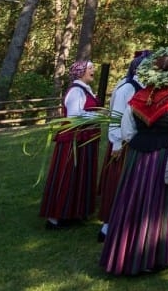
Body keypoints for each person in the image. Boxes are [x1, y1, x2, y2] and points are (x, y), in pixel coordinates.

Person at [99, 48, 168, 276]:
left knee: (132, 200)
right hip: (162, 156)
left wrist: (141, 142)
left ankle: (124, 252)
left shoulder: (137, 97)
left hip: (137, 157)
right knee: (158, 205)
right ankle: (154, 256)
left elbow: (127, 131)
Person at [40, 59, 101, 230]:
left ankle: (74, 212)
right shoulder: (76, 91)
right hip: (74, 140)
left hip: (84, 138)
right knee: (68, 175)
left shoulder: (86, 90)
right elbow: (75, 116)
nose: (93, 70)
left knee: (81, 175)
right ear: (80, 71)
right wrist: (98, 116)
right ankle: (56, 217)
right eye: (90, 68)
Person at [98, 50, 151, 242]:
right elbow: (116, 118)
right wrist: (117, 144)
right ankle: (107, 227)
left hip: (135, 141)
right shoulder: (127, 88)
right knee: (118, 183)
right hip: (123, 143)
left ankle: (126, 222)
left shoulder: (143, 87)